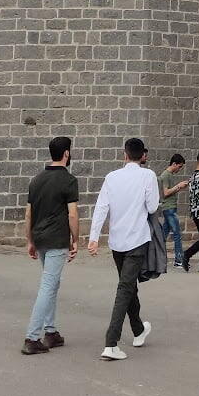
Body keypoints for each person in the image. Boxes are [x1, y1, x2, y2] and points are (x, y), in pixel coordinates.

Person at [87, 137, 160, 361]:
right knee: (125, 288)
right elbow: (152, 206)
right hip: (137, 239)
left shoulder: (111, 177)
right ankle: (111, 343)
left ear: (124, 154)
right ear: (142, 156)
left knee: (127, 286)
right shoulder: (148, 176)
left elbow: (101, 208)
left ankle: (138, 330)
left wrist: (93, 238)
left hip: (117, 241)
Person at [21, 135, 79, 354]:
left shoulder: (36, 180)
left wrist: (30, 240)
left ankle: (51, 332)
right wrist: (76, 240)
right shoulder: (68, 180)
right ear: (66, 153)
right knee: (48, 285)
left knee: (52, 284)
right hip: (56, 240)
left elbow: (29, 214)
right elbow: (72, 214)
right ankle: (32, 337)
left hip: (40, 238)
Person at [157, 154, 188, 270]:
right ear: (174, 164)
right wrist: (178, 186)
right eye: (179, 166)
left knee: (163, 235)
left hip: (170, 207)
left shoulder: (169, 175)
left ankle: (157, 257)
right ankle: (179, 260)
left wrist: (179, 187)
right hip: (169, 209)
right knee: (177, 234)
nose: (180, 169)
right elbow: (166, 193)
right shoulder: (166, 175)